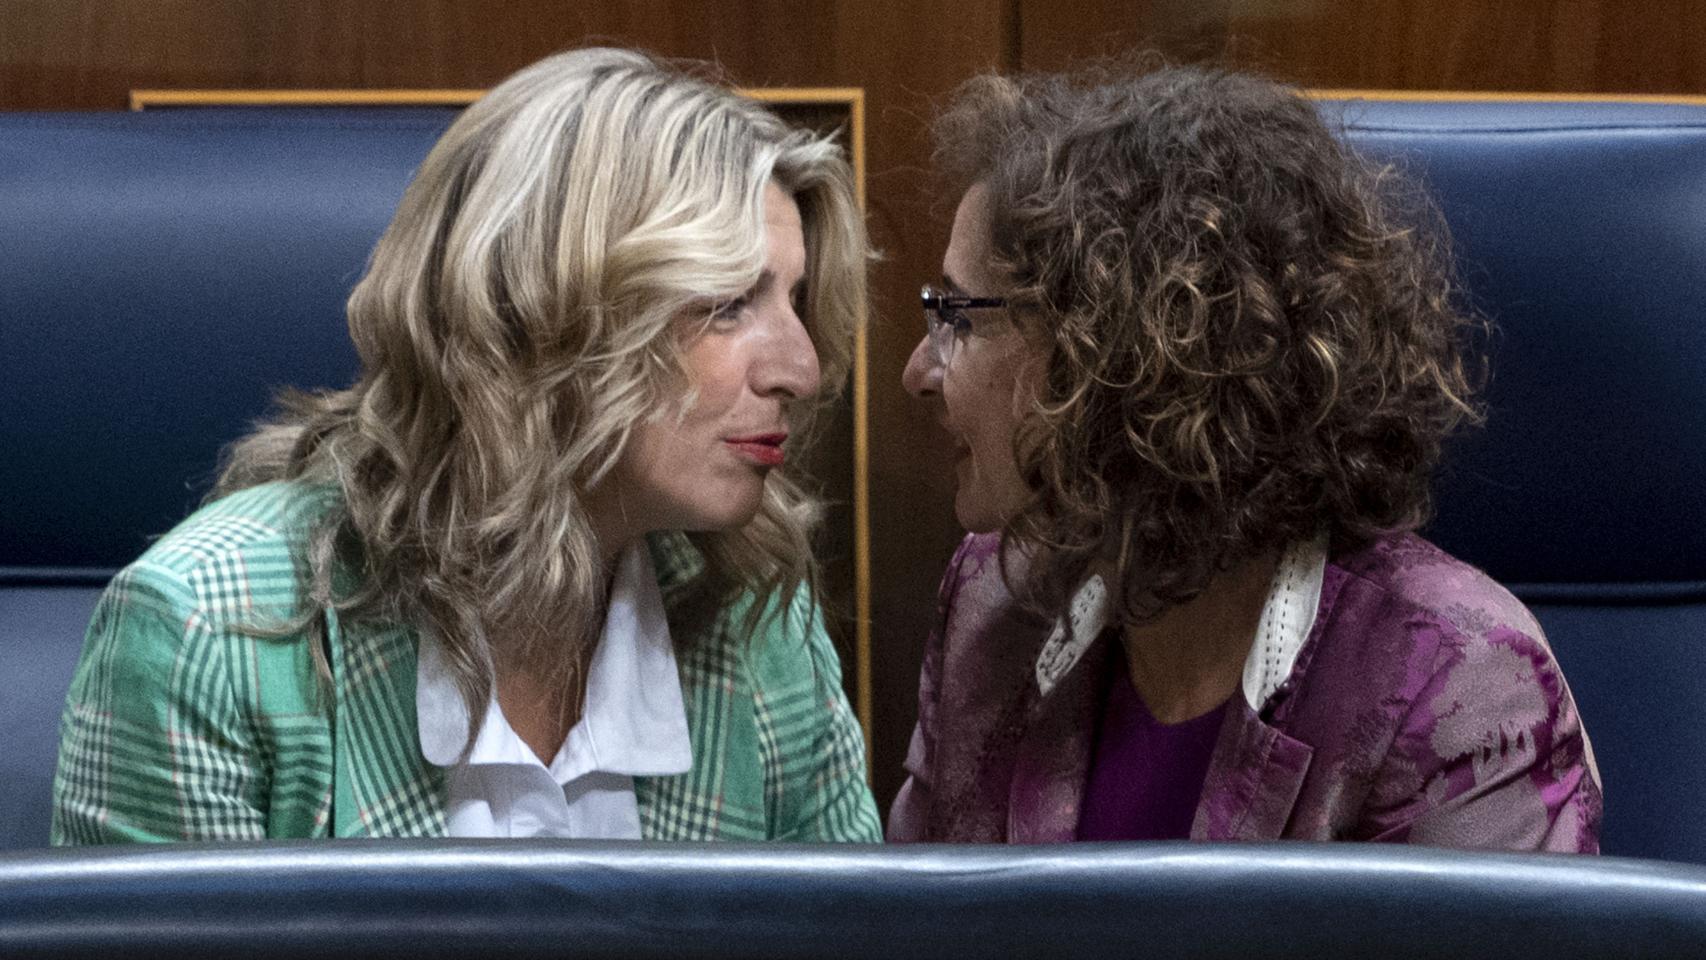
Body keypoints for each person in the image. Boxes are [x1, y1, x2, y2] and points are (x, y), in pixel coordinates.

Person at [53, 47, 880, 843]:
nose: (801, 370)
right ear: (540, 315)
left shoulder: (762, 624)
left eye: (796, 300)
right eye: (731, 301)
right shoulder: (208, 637)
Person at [887, 63, 1600, 848]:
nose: (919, 371)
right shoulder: (993, 604)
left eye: (959, 316)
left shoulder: (1458, 685)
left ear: (1121, 355)